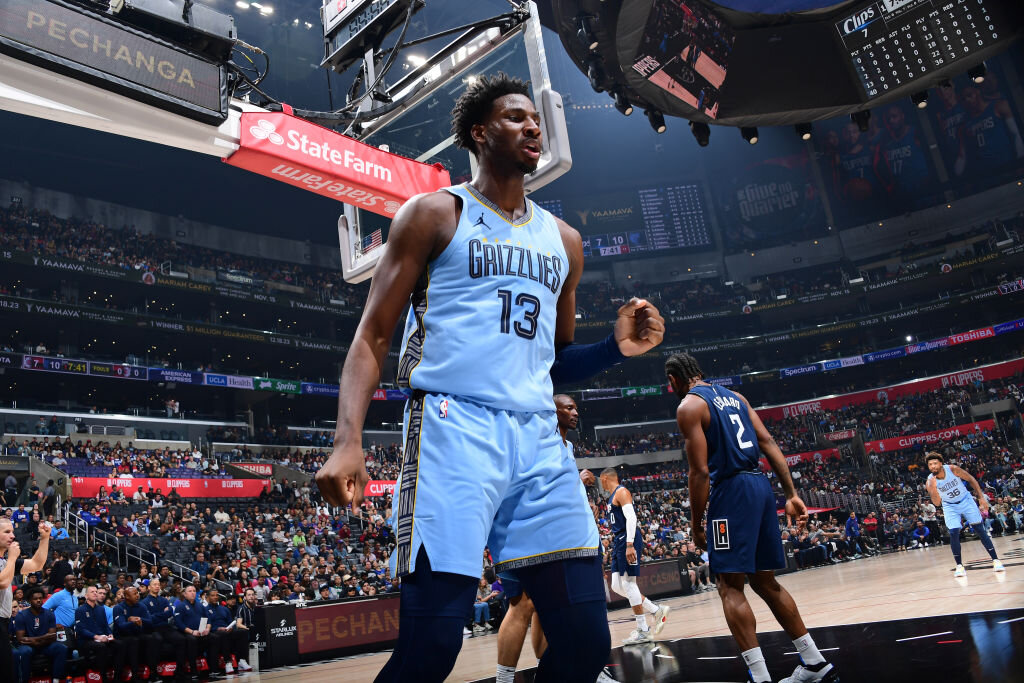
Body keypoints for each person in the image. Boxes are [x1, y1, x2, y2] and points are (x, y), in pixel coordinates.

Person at [315, 73, 664, 683]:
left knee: (584, 643)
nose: (533, 127)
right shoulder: (433, 214)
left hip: (538, 440)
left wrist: (615, 347)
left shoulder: (565, 241)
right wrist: (348, 440)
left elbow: (552, 359)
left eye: (536, 119)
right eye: (515, 117)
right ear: (479, 132)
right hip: (453, 430)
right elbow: (372, 335)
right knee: (432, 648)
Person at [669, 353, 836, 683]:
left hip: (730, 492)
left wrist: (695, 523)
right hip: (760, 486)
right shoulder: (737, 397)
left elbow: (699, 471)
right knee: (765, 580)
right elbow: (768, 442)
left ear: (674, 380)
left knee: (729, 585)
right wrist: (791, 494)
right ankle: (814, 662)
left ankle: (760, 677)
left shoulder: (689, 406)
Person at [495, 394, 614, 683]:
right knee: (521, 605)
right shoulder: (536, 437)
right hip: (527, 535)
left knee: (542, 608)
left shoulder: (568, 445)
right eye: (569, 407)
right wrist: (576, 476)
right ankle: (504, 678)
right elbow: (538, 481)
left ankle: (550, 666)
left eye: (576, 407)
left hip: (561, 539)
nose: (576, 412)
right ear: (553, 410)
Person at [599, 467, 669, 645]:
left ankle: (643, 630)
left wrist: (630, 544)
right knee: (617, 586)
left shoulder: (621, 492)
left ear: (605, 478)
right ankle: (656, 610)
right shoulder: (611, 496)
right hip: (619, 540)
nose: (600, 483)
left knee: (629, 584)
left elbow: (631, 518)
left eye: (601, 480)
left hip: (627, 540)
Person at [924, 452, 1004, 577]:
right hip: (949, 505)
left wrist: (981, 498)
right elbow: (937, 502)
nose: (933, 466)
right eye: (930, 464)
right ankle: (959, 566)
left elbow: (971, 479)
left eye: (935, 463)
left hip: (965, 500)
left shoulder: (952, 469)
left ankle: (996, 560)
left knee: (979, 528)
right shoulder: (930, 482)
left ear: (941, 463)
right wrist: (933, 489)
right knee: (953, 532)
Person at [2, 519, 52, 680]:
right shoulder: (8, 561)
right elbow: (2, 582)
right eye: (7, 532)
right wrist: (12, 558)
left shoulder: (5, 562)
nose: (13, 536)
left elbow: (37, 564)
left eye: (12, 531)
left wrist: (44, 539)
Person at [14, 584, 67, 683]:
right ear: (29, 601)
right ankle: (25, 680)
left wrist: (34, 640)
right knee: (24, 651)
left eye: (40, 598)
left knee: (61, 648)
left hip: (44, 645)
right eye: (35, 599)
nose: (38, 600)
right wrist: (43, 637)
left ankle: (56, 679)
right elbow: (21, 639)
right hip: (30, 646)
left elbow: (52, 637)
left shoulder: (49, 614)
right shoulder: (21, 616)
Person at [140, 578, 190, 681]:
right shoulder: (144, 602)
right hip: (153, 628)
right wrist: (163, 614)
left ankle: (179, 671)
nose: (157, 586)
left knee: (181, 639)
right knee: (156, 640)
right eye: (154, 584)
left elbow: (170, 612)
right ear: (149, 587)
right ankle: (153, 673)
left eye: (158, 584)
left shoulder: (163, 599)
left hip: (165, 627)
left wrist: (160, 615)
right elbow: (150, 619)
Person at [75, 584, 126, 683]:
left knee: (120, 644)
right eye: (92, 592)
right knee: (101, 646)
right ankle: (103, 677)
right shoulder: (80, 610)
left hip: (102, 637)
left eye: (96, 591)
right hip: (87, 640)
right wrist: (96, 636)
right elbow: (81, 629)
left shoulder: (101, 609)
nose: (95, 593)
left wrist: (110, 634)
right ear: (86, 596)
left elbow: (105, 626)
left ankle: (117, 677)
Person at [112, 585, 159, 680]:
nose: (137, 595)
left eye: (137, 593)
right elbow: (121, 626)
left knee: (152, 638)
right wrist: (132, 622)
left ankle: (153, 672)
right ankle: (134, 675)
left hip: (137, 634)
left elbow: (150, 622)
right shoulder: (118, 608)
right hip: (122, 636)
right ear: (127, 597)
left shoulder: (141, 605)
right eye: (134, 594)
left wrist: (139, 619)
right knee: (133, 641)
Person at [174, 584, 217, 679]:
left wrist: (207, 629)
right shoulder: (180, 606)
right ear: (185, 594)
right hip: (187, 633)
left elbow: (208, 619)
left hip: (201, 632)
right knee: (192, 640)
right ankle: (193, 670)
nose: (193, 593)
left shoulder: (200, 606)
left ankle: (213, 668)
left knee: (213, 637)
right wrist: (192, 632)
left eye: (194, 591)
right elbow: (178, 623)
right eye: (190, 591)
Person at [206, 588, 252, 672]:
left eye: (217, 595)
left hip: (227, 629)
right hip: (214, 631)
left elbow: (230, 622)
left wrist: (231, 628)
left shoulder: (224, 609)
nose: (215, 597)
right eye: (213, 595)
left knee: (243, 632)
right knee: (224, 634)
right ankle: (228, 662)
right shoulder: (205, 609)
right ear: (208, 597)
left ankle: (242, 660)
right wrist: (218, 628)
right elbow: (207, 625)